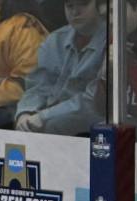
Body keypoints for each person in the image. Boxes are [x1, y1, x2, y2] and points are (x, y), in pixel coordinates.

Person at [13, 0, 110, 136]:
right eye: (70, 6)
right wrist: (25, 112)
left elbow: (91, 101)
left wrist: (43, 116)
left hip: (91, 117)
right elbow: (38, 85)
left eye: (83, 4)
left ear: (100, 6)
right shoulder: (54, 40)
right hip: (47, 115)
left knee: (53, 126)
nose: (75, 12)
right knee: (18, 123)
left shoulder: (111, 41)